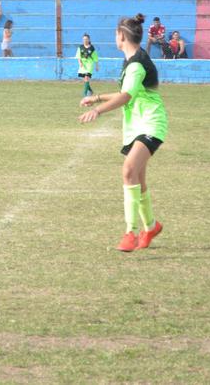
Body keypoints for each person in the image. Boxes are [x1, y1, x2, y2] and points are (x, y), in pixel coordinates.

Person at [78, 13, 167, 253]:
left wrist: (98, 109)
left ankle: (130, 232)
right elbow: (125, 93)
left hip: (150, 124)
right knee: (139, 179)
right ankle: (150, 226)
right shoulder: (131, 62)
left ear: (122, 36)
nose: (114, 37)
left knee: (128, 171)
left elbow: (126, 97)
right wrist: (96, 97)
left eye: (115, 34)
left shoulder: (136, 64)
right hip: (137, 125)